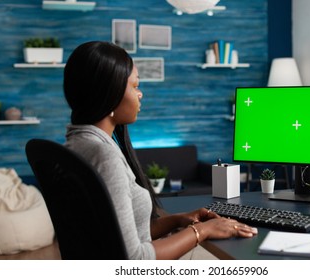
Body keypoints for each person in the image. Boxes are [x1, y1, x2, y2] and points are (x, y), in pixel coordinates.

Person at [63, 41, 258, 260]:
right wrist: (202, 231)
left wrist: (177, 220)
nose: (140, 94)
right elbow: (135, 259)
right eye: (135, 86)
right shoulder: (104, 156)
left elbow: (121, 236)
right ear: (110, 93)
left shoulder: (78, 144)